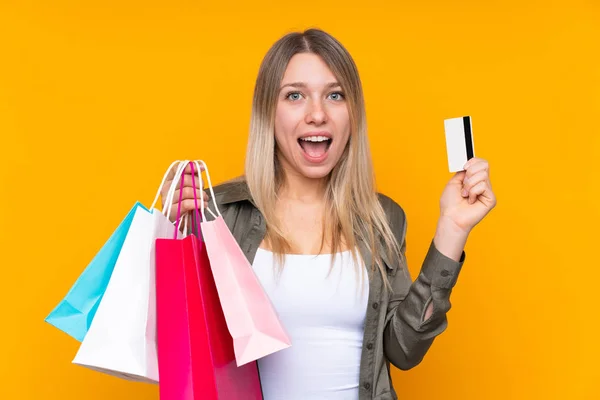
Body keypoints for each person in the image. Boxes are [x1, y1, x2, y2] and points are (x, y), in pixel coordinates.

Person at [160, 28, 496, 400]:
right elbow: (176, 343)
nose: (317, 114)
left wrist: (451, 231)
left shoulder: (382, 218)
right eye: (295, 96)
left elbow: (404, 350)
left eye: (335, 95)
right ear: (267, 112)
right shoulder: (218, 212)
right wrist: (170, 233)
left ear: (353, 114)